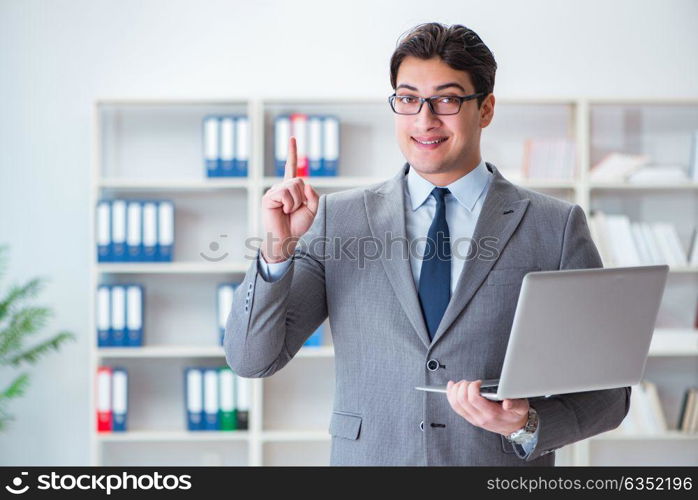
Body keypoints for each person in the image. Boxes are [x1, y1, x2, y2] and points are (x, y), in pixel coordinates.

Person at [225, 22, 630, 466]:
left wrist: (527, 423)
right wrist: (276, 249)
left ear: (486, 108)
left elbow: (608, 393)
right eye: (408, 98)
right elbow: (252, 360)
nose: (424, 118)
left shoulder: (553, 226)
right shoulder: (336, 220)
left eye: (447, 99)